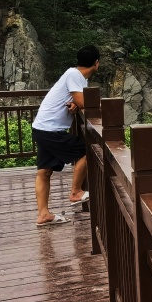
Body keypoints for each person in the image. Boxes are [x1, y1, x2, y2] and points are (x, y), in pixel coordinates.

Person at [32, 45, 100, 225]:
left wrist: (76, 104)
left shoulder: (76, 77)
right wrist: (79, 104)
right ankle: (76, 192)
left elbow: (75, 101)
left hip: (42, 127)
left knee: (44, 172)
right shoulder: (74, 75)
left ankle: (43, 214)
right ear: (96, 63)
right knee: (87, 151)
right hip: (50, 129)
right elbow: (83, 102)